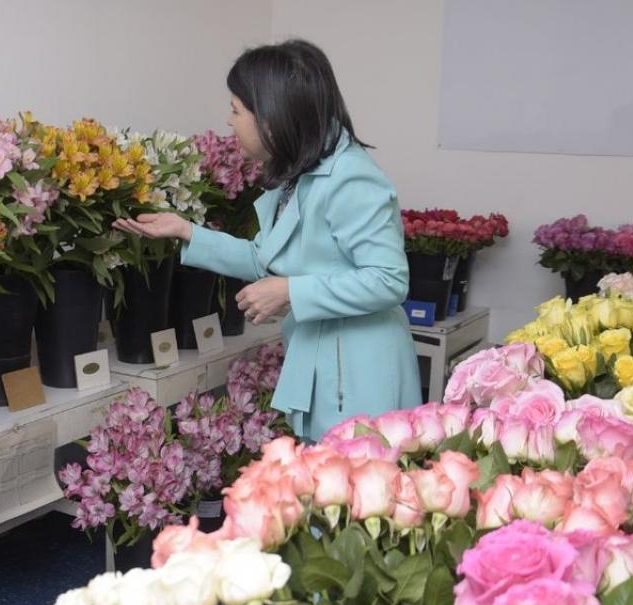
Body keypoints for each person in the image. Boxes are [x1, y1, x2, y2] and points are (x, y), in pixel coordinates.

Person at [114, 39, 421, 442]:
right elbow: (268, 260)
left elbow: (388, 280)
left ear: (273, 115)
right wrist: (185, 230)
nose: (229, 120)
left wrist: (292, 291)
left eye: (237, 109)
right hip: (325, 365)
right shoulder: (301, 172)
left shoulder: (350, 177)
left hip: (360, 377)